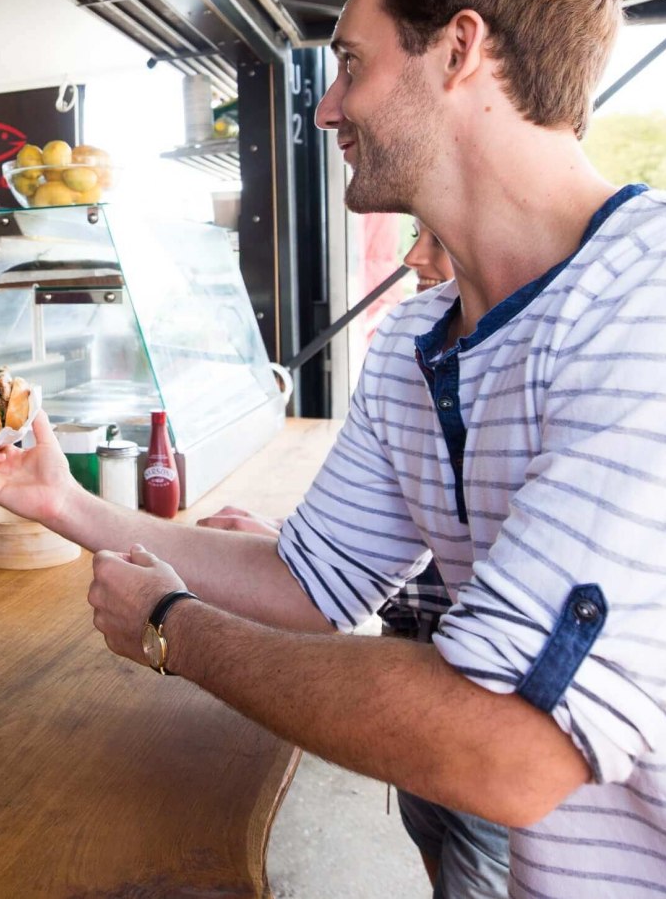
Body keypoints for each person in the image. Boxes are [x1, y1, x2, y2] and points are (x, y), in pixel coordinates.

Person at [0, 0, 666, 897]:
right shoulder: (417, 343)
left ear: (460, 50)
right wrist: (67, 505)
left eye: (350, 64)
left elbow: (502, 746)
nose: (323, 106)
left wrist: (174, 626)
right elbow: (311, 587)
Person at [205, 220, 508, 899]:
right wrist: (308, 540)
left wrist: (176, 624)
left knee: (481, 866)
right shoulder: (426, 344)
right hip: (424, 679)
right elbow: (423, 533)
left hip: (480, 726)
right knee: (432, 837)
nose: (414, 257)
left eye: (439, 239)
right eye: (416, 234)